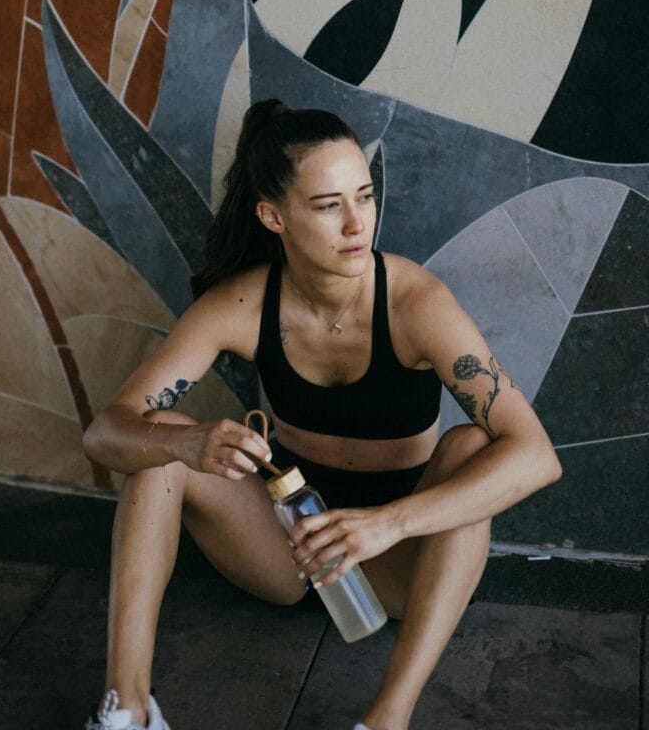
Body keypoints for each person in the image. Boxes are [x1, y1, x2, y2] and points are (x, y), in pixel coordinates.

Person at [83, 100, 562, 730]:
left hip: (394, 563)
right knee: (161, 442)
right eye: (328, 204)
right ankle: (128, 710)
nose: (356, 223)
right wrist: (191, 442)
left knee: (474, 449)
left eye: (363, 196)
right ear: (272, 216)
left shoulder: (415, 303)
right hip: (285, 545)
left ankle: (386, 720)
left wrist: (385, 524)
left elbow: (537, 456)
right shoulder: (243, 303)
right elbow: (106, 433)